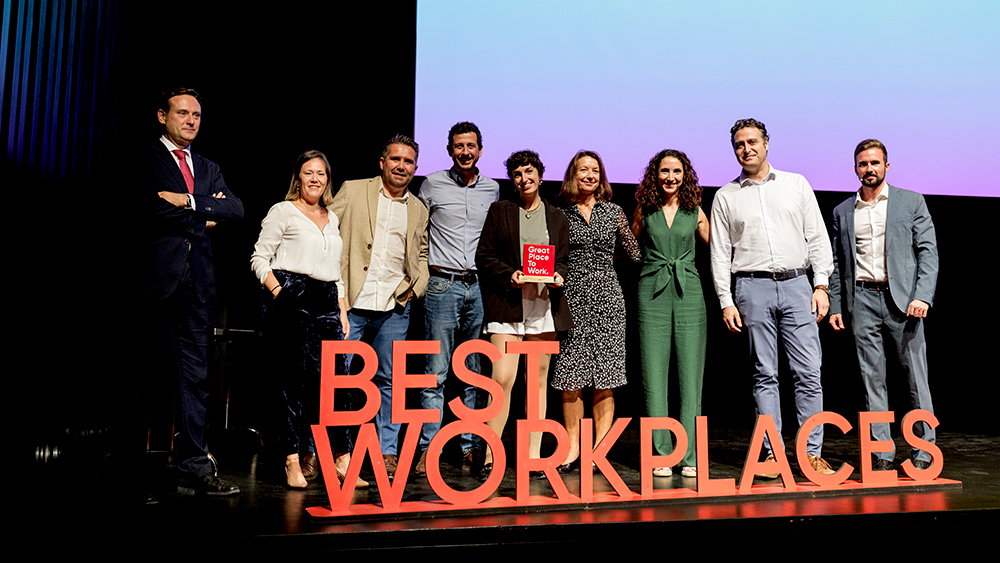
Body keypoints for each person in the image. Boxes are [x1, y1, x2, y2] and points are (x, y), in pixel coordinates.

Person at [709, 118, 836, 477]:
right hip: (751, 287)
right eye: (739, 144)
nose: (746, 149)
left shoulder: (796, 184)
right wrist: (725, 300)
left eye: (752, 141)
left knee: (808, 372)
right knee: (765, 374)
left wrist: (822, 284)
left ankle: (811, 454)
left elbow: (817, 238)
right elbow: (719, 253)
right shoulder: (725, 196)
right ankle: (773, 454)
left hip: (798, 285)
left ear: (767, 144)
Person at [143, 87, 243, 495]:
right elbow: (148, 208)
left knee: (195, 380)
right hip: (155, 282)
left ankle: (195, 469)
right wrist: (204, 210)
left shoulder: (207, 166)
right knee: (145, 377)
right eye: (182, 113)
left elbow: (234, 209)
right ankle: (136, 472)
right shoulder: (146, 158)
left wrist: (186, 200)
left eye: (197, 115)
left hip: (198, 286)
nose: (190, 120)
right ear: (162, 115)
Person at [251, 150, 366, 489]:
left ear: (327, 180)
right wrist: (279, 292)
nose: (315, 178)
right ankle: (291, 458)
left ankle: (342, 459)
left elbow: (336, 270)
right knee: (292, 385)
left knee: (336, 383)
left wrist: (342, 308)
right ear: (298, 178)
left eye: (321, 173)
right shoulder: (283, 211)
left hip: (328, 302)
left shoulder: (331, 217)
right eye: (308, 172)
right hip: (293, 296)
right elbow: (259, 257)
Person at [828, 139, 938, 471]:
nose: (869, 169)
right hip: (861, 299)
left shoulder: (911, 202)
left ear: (886, 166)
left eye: (875, 163)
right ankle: (881, 454)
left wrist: (922, 295)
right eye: (863, 164)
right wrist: (836, 305)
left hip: (903, 300)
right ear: (855, 168)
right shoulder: (843, 211)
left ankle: (924, 452)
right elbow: (836, 263)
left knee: (915, 377)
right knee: (870, 378)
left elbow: (927, 253)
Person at [331, 134, 429, 478]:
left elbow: (421, 253)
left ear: (415, 168)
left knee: (390, 381)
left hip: (394, 306)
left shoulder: (418, 208)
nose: (402, 166)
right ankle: (325, 449)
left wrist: (417, 288)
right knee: (337, 378)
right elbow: (326, 228)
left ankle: (386, 451)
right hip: (351, 302)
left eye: (408, 162)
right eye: (396, 159)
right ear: (382, 162)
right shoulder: (354, 190)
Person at [476, 149, 571, 479]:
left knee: (537, 383)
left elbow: (563, 260)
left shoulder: (557, 216)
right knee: (502, 379)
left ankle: (533, 456)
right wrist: (510, 275)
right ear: (512, 180)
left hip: (543, 307)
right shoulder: (500, 210)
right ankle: (490, 452)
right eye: (517, 174)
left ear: (540, 175)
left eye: (529, 172)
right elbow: (485, 256)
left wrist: (558, 275)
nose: (524, 179)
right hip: (508, 305)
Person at [415, 122, 499, 476]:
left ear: (480, 149)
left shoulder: (493, 188)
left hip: (479, 287)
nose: (465, 151)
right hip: (442, 285)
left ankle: (469, 447)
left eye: (471, 146)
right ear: (450, 150)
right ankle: (426, 450)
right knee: (434, 372)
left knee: (473, 372)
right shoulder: (431, 184)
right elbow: (415, 230)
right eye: (458, 146)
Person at [551, 150, 640, 473]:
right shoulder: (560, 214)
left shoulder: (614, 212)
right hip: (571, 299)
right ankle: (573, 449)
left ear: (601, 176)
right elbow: (551, 255)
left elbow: (634, 253)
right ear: (572, 175)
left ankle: (599, 453)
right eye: (583, 169)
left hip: (608, 299)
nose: (589, 175)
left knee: (606, 377)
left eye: (594, 170)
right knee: (571, 377)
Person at [631, 149, 709, 478]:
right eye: (664, 171)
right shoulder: (644, 209)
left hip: (689, 291)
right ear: (655, 174)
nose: (670, 177)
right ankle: (661, 451)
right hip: (652, 292)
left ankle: (689, 454)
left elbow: (717, 249)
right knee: (653, 376)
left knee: (690, 377)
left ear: (685, 175)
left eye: (676, 171)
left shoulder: (696, 210)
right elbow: (629, 248)